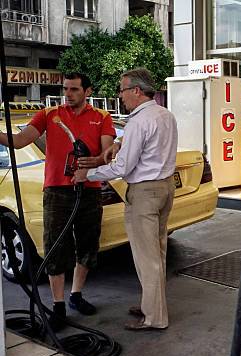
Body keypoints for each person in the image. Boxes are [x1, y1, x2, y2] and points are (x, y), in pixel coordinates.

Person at [0, 73, 115, 330]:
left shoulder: (102, 117)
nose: (68, 93)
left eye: (74, 89)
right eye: (65, 89)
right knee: (55, 245)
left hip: (88, 190)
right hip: (56, 191)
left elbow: (107, 150)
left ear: (87, 91)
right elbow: (19, 141)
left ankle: (76, 295)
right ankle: (58, 304)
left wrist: (95, 161)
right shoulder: (49, 115)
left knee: (88, 244)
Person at [74, 68, 178, 331]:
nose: (120, 97)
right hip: (164, 188)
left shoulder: (138, 121)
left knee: (147, 258)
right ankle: (151, 305)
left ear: (136, 91)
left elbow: (123, 168)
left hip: (144, 192)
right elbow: (146, 146)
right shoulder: (165, 115)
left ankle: (155, 318)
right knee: (158, 252)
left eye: (121, 90)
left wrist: (88, 174)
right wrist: (120, 144)